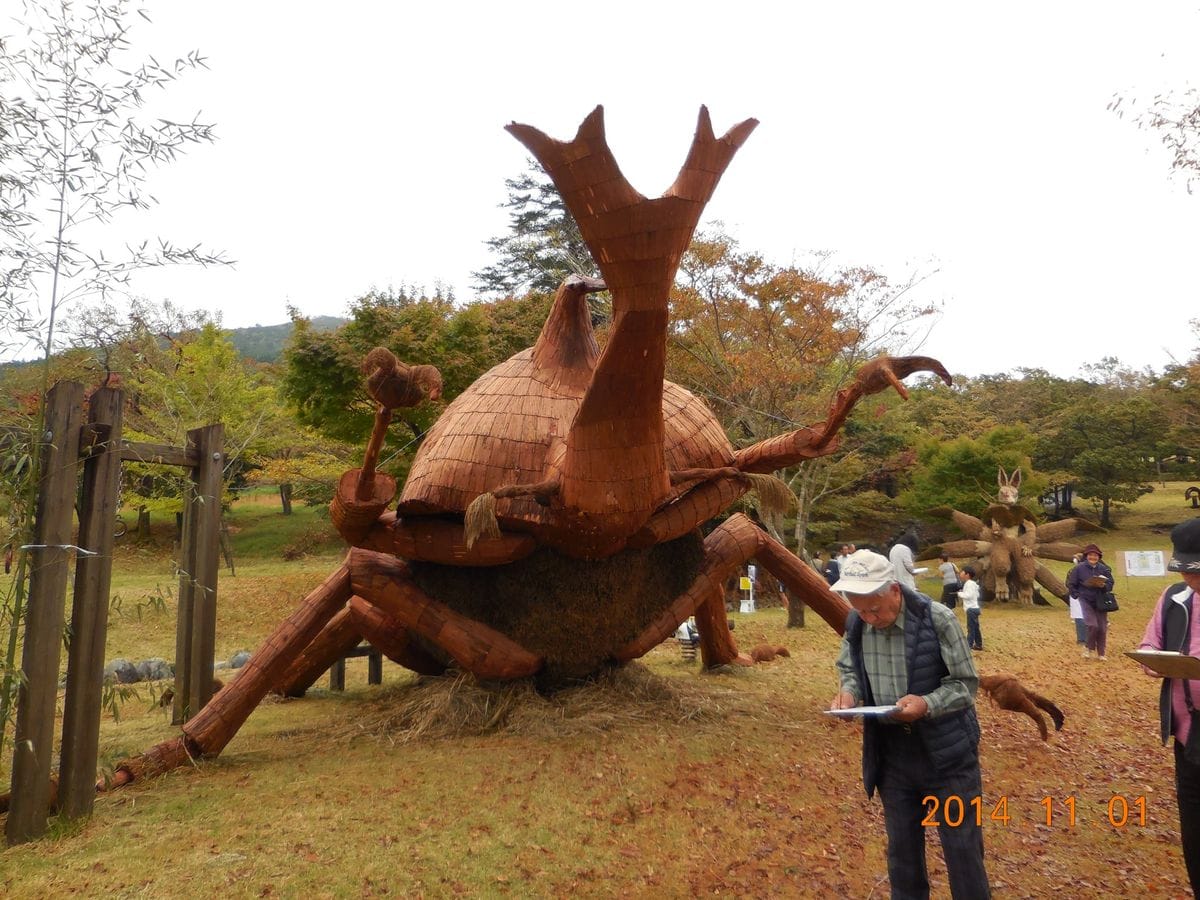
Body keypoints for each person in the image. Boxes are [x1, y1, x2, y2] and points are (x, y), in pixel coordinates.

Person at [829, 550, 989, 899]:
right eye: (861, 609)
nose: (870, 617)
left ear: (895, 590)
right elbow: (849, 668)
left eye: (875, 608)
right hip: (893, 758)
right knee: (902, 857)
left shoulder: (938, 619)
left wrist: (927, 704)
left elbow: (966, 684)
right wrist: (849, 694)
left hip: (949, 758)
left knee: (963, 852)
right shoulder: (857, 623)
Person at [1137, 518, 1200, 896]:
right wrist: (1152, 660)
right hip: (1186, 730)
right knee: (1193, 823)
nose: (1191, 578)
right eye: (1185, 570)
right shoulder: (1173, 597)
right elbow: (1149, 643)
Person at [1066, 543, 1114, 660]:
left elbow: (1110, 583)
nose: (1093, 558)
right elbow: (1071, 583)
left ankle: (1101, 653)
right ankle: (1088, 648)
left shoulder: (1103, 568)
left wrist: (1103, 586)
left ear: (1099, 557)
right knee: (1092, 625)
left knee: (1102, 627)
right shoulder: (1079, 568)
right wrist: (1077, 595)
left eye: (1095, 556)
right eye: (1090, 555)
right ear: (1086, 556)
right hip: (1085, 599)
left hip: (1100, 599)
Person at [960, 565, 983, 651]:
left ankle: (968, 646)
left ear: (967, 574)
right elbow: (977, 595)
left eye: (962, 572)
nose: (960, 573)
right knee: (976, 627)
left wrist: (960, 594)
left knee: (971, 628)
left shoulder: (968, 584)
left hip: (971, 609)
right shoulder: (973, 584)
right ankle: (978, 645)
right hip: (975, 608)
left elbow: (968, 595)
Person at [1067, 554, 1087, 647]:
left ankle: (1087, 638)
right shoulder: (1073, 571)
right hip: (1077, 597)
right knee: (1079, 618)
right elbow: (1069, 584)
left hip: (1088, 596)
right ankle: (1082, 639)